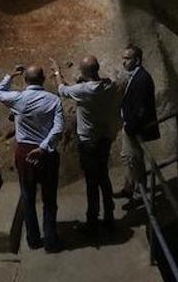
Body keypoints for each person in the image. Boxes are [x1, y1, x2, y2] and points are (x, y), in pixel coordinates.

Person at [0, 64, 64, 252]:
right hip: (46, 153)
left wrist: (11, 74)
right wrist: (43, 148)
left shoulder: (18, 99)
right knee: (49, 198)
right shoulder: (54, 100)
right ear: (43, 80)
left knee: (27, 197)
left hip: (24, 152)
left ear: (25, 80)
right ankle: (50, 240)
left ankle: (33, 239)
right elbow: (57, 129)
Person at [52, 56, 119, 235]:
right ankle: (109, 215)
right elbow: (100, 82)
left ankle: (92, 220)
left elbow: (62, 90)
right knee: (104, 176)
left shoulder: (83, 90)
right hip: (104, 138)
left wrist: (57, 71)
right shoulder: (109, 85)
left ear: (83, 72)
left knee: (91, 181)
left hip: (88, 141)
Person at [115, 44, 160, 210]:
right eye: (123, 58)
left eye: (127, 59)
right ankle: (129, 188)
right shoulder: (135, 75)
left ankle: (140, 195)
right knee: (128, 158)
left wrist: (130, 128)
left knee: (135, 161)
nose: (124, 62)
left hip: (134, 127)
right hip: (130, 125)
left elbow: (141, 109)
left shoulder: (141, 79)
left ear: (137, 60)